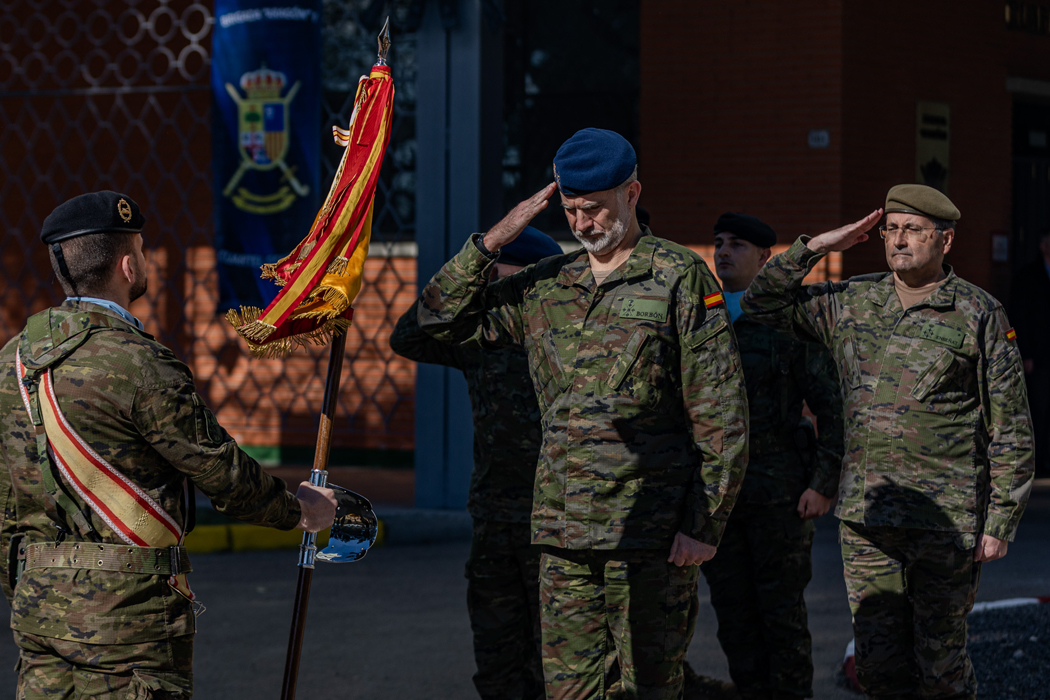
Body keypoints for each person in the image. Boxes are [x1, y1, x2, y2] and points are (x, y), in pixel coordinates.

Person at [417, 128, 749, 699]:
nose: (583, 223)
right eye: (571, 210)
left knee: (646, 687)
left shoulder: (677, 276)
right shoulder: (547, 285)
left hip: (647, 534)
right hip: (561, 535)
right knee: (568, 691)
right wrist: (493, 241)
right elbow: (435, 322)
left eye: (594, 208)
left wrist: (704, 524)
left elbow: (721, 410)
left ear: (633, 192)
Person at [0, 191, 338, 699]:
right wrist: (299, 510)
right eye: (142, 247)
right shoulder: (139, 363)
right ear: (128, 264)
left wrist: (30, 588)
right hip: (128, 626)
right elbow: (222, 473)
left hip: (38, 613)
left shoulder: (13, 361)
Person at [741, 184, 1035, 699]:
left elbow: (1010, 426)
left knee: (940, 670)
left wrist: (1000, 521)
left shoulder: (978, 312)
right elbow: (762, 302)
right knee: (877, 668)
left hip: (944, 522)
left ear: (945, 240)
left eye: (913, 231)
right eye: (891, 230)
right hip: (867, 519)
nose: (898, 240)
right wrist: (816, 247)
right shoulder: (853, 301)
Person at [390, 226, 563, 700]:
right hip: (493, 516)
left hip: (553, 521)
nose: (487, 278)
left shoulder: (568, 336)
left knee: (560, 661)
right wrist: (468, 268)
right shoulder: (478, 334)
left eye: (497, 269)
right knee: (496, 659)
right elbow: (409, 336)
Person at [692, 212, 844, 700]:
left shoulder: (787, 322)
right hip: (718, 501)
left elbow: (831, 406)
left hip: (777, 496)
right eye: (718, 242)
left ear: (765, 258)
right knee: (734, 619)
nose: (723, 252)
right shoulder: (702, 320)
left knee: (781, 620)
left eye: (736, 244)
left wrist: (823, 483)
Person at [1010, 227, 1050, 476]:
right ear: (1043, 246)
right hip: (1038, 356)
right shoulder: (1027, 277)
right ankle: (1037, 462)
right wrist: (1025, 354)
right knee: (1038, 409)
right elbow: (1020, 319)